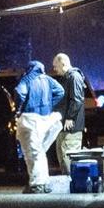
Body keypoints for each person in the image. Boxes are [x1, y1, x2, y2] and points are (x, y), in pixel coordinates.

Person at [14, 60, 65, 193]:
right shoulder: (47, 79)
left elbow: (19, 92)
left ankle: (37, 183)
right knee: (39, 151)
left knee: (31, 153)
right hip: (44, 118)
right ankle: (41, 181)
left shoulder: (27, 79)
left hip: (29, 118)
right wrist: (49, 104)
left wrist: (18, 109)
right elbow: (60, 91)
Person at [52, 53, 87, 175]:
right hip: (65, 128)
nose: (54, 69)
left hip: (71, 129)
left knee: (69, 159)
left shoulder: (74, 77)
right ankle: (69, 187)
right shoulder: (68, 78)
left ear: (63, 63)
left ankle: (73, 189)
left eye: (55, 66)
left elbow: (77, 99)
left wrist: (70, 117)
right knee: (63, 158)